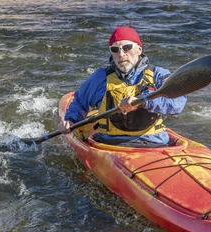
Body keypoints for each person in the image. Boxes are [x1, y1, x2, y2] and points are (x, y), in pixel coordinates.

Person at [58, 26, 187, 146]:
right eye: (115, 50)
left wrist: (143, 101)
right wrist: (70, 120)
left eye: (127, 48)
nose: (121, 54)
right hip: (110, 144)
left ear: (139, 50)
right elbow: (80, 102)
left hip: (154, 143)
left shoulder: (158, 75)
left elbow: (177, 103)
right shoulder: (100, 77)